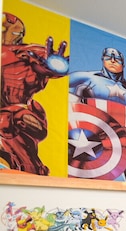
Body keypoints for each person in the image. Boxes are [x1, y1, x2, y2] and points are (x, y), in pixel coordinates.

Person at [0, 12, 68, 174]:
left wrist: (52, 67)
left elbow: (54, 64)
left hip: (18, 113)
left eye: (6, 30)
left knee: (25, 158)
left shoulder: (24, 51)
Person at [68, 47, 126, 182]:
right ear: (102, 60)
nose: (112, 61)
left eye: (117, 59)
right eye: (108, 57)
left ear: (123, 63)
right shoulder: (84, 79)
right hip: (97, 140)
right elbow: (71, 113)